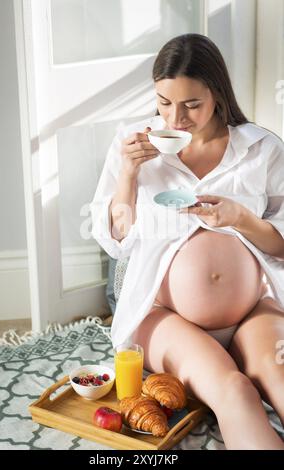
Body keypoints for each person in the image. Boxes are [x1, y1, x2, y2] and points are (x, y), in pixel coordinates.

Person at [90, 33, 284, 449]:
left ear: (217, 93)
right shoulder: (134, 146)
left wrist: (243, 219)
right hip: (163, 316)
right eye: (163, 102)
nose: (175, 118)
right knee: (235, 392)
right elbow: (117, 240)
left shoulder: (261, 148)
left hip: (253, 311)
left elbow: (282, 245)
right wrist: (128, 175)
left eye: (191, 105)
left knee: (281, 380)